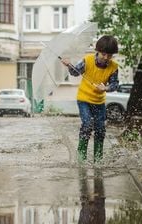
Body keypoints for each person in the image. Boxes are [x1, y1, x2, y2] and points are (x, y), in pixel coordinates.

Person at [62, 35, 119, 163]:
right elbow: (75, 72)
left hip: (99, 101)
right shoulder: (87, 60)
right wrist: (69, 65)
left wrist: (106, 88)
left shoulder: (113, 67)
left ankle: (97, 160)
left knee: (100, 129)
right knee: (87, 125)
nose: (106, 58)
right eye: (103, 54)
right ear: (97, 51)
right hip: (84, 99)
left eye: (109, 55)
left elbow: (115, 85)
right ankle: (81, 159)